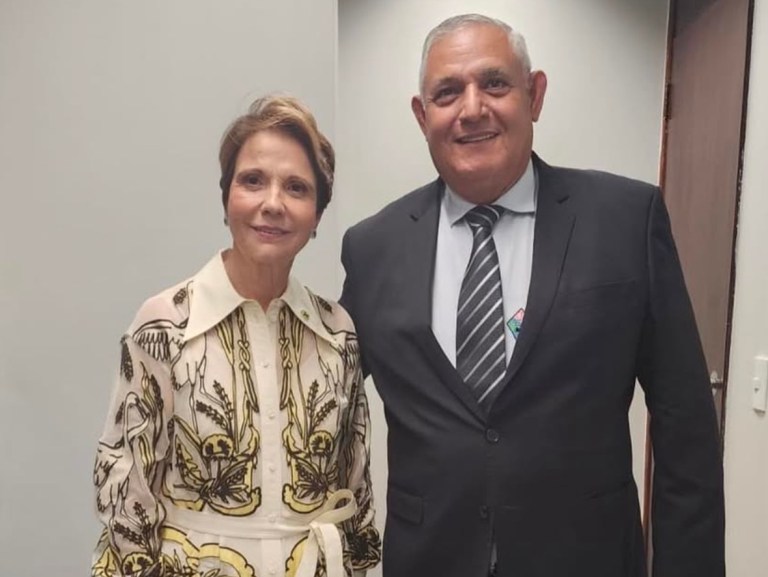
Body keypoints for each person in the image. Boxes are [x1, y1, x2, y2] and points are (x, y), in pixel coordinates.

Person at [340, 13, 724, 577]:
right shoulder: (373, 247)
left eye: (494, 83)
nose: (472, 108)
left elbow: (684, 426)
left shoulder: (625, 220)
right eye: (448, 92)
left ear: (534, 94)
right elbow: (325, 396)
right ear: (422, 116)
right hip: (430, 559)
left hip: (586, 559)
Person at [92, 95, 381, 577]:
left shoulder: (337, 332)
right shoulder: (164, 325)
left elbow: (355, 489)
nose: (273, 204)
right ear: (227, 199)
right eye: (253, 181)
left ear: (316, 216)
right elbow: (125, 496)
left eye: (296, 187)